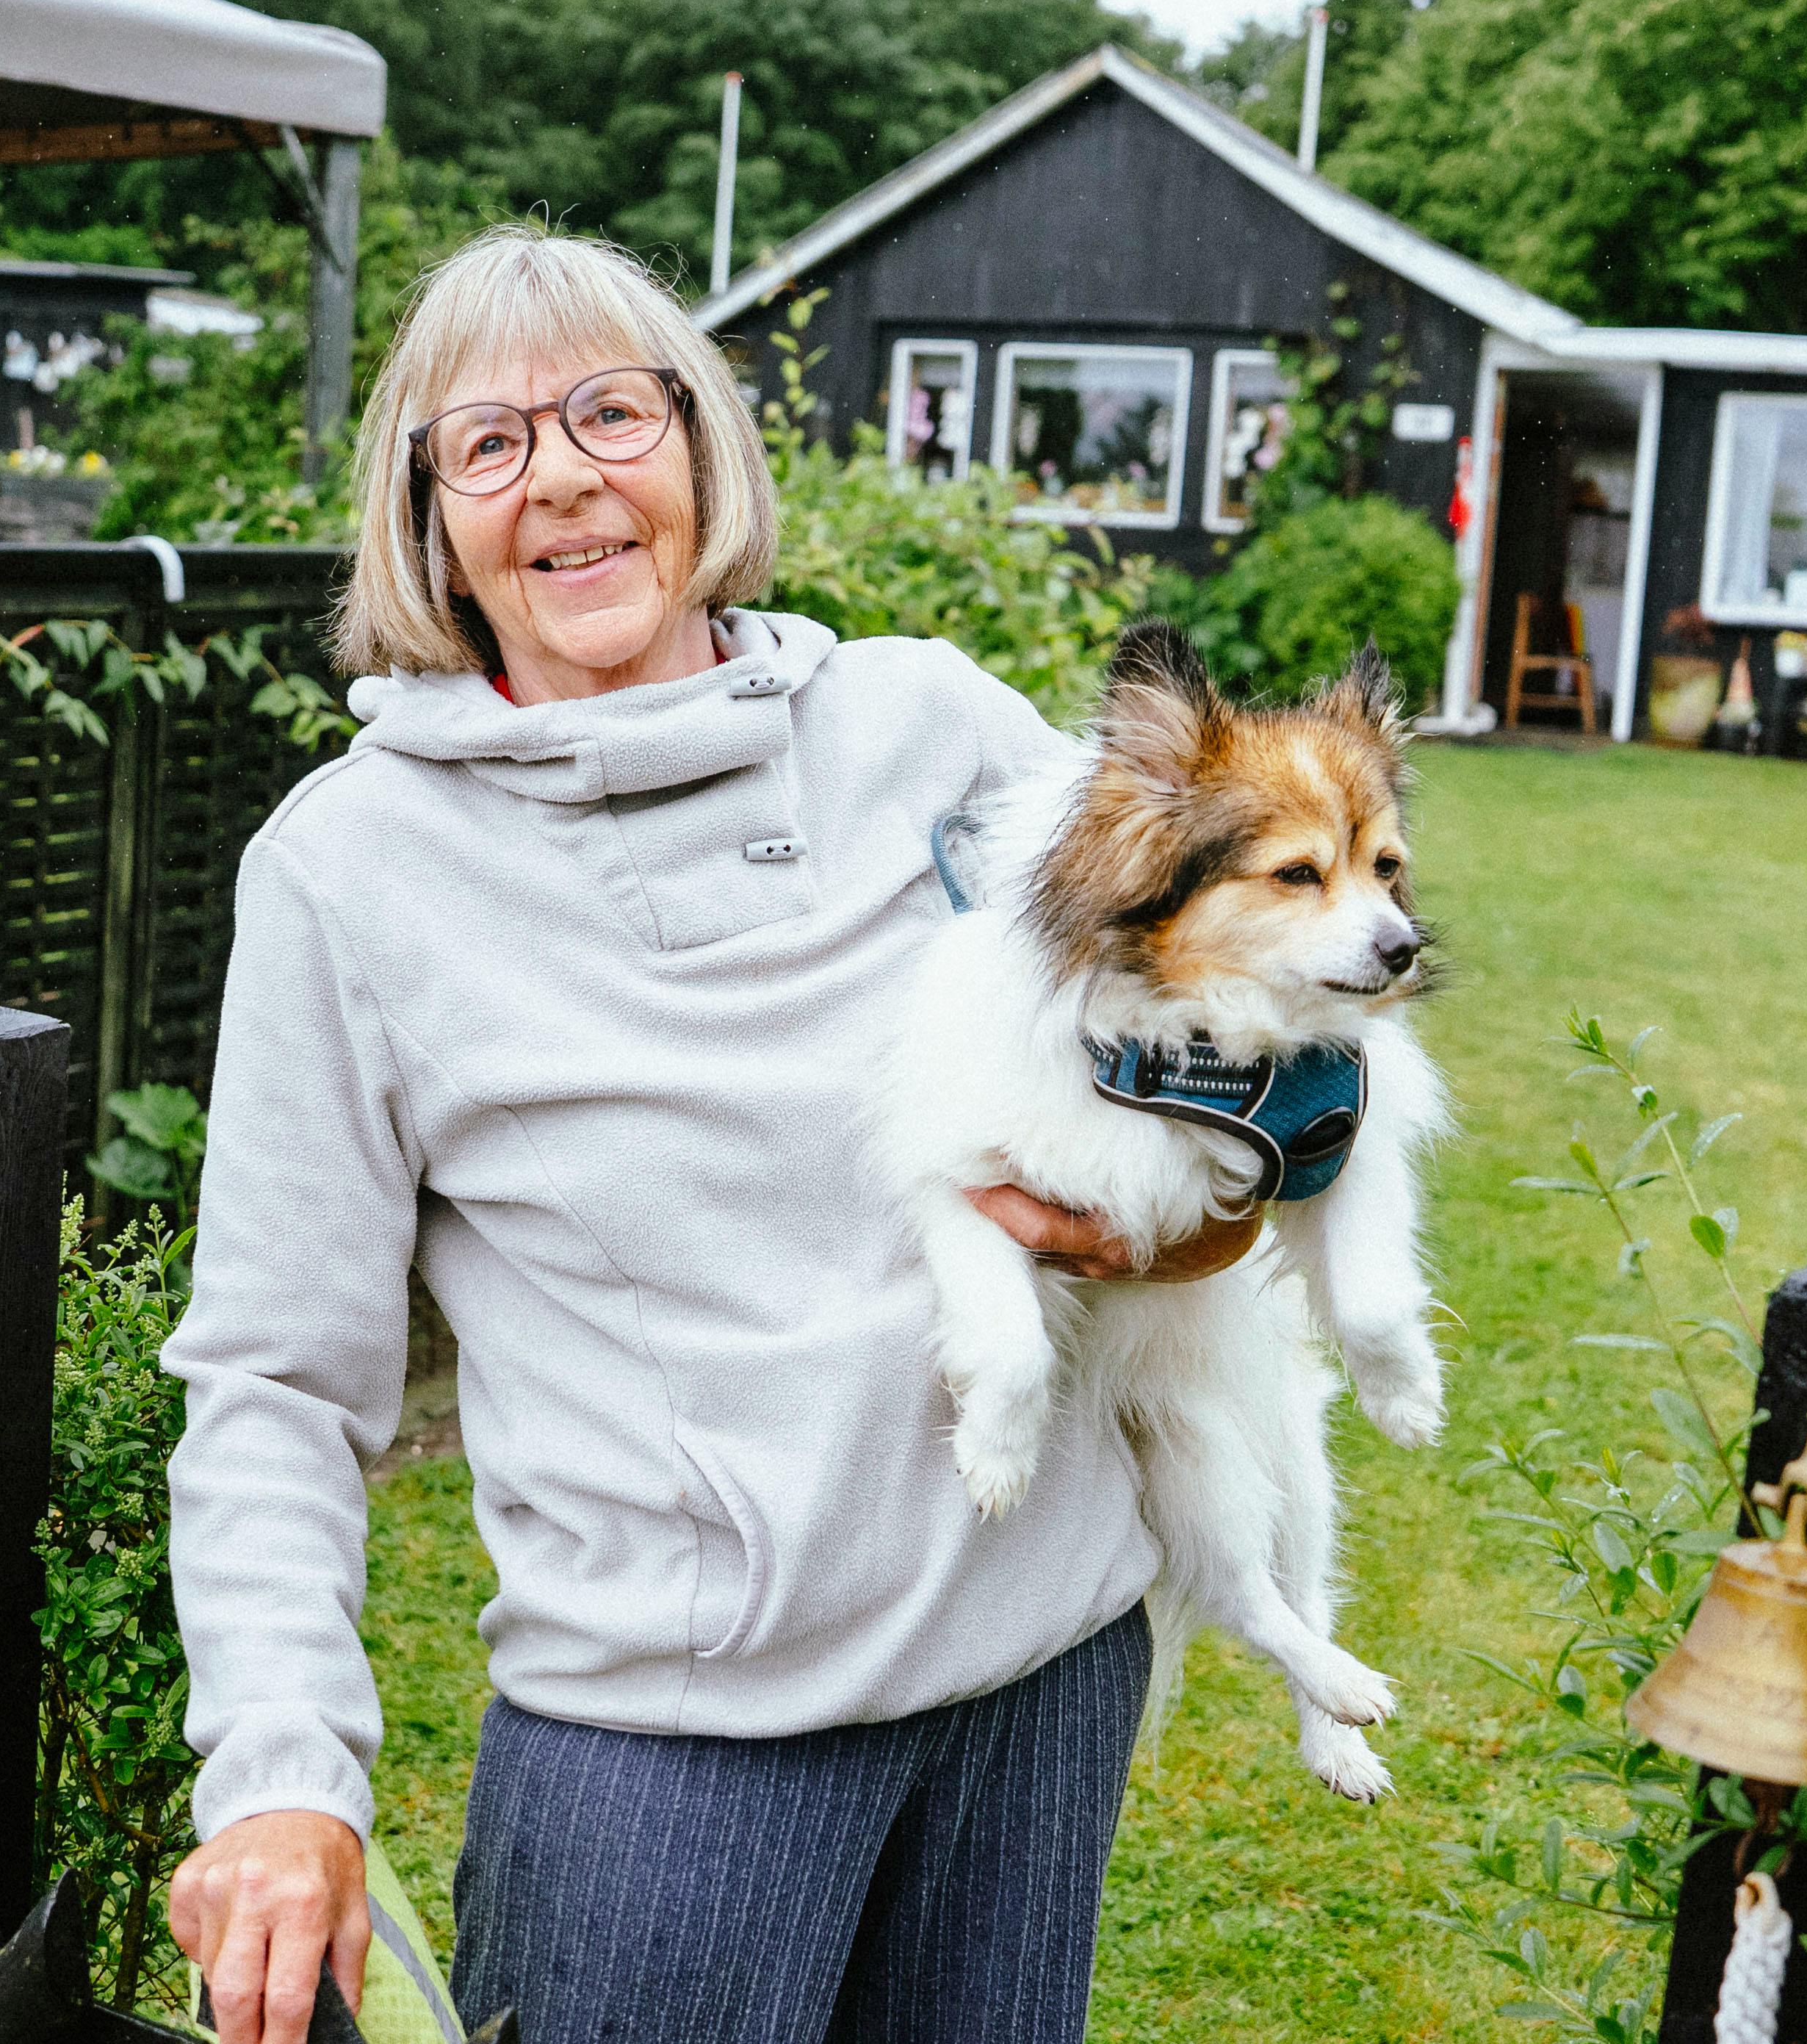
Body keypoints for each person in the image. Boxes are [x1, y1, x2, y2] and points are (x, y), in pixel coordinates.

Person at [162, 227, 1197, 2044]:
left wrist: (1214, 1198)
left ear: (700, 451)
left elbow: (1212, 1009)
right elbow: (271, 1374)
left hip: (1040, 1672)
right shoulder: (350, 869)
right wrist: (278, 1767)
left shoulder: (927, 723)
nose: (558, 474)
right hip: (677, 1758)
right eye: (487, 445)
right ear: (432, 521)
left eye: (609, 413)